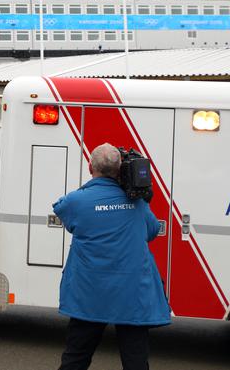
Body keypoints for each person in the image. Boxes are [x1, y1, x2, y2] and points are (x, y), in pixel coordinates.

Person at [53, 143, 171, 370]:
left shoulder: (77, 201)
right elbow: (152, 231)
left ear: (90, 167)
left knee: (76, 358)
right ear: (120, 170)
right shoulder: (136, 202)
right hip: (131, 294)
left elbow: (61, 209)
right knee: (135, 361)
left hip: (89, 293)